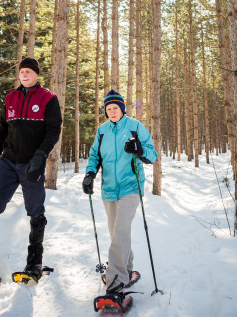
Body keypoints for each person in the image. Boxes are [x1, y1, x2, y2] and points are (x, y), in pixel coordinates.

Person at [0, 57, 62, 289]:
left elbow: (53, 130)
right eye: (21, 71)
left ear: (36, 74)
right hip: (8, 161)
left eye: (28, 71)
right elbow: (2, 131)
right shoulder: (10, 98)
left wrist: (40, 155)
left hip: (31, 163)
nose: (24, 75)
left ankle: (34, 265)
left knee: (35, 212)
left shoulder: (48, 98)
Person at [83, 89, 157, 310]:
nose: (112, 111)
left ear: (123, 109)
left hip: (130, 186)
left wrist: (139, 149)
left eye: (116, 107)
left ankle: (115, 284)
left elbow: (152, 154)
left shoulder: (134, 126)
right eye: (108, 108)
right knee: (116, 233)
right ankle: (126, 268)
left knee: (121, 231)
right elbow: (95, 155)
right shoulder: (102, 131)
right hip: (109, 189)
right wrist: (90, 174)